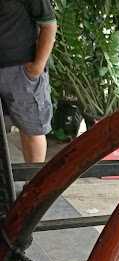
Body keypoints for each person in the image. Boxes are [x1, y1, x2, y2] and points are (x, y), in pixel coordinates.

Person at [0, 0, 57, 163]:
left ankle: (34, 185)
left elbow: (49, 24)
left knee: (32, 130)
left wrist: (37, 66)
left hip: (21, 71)